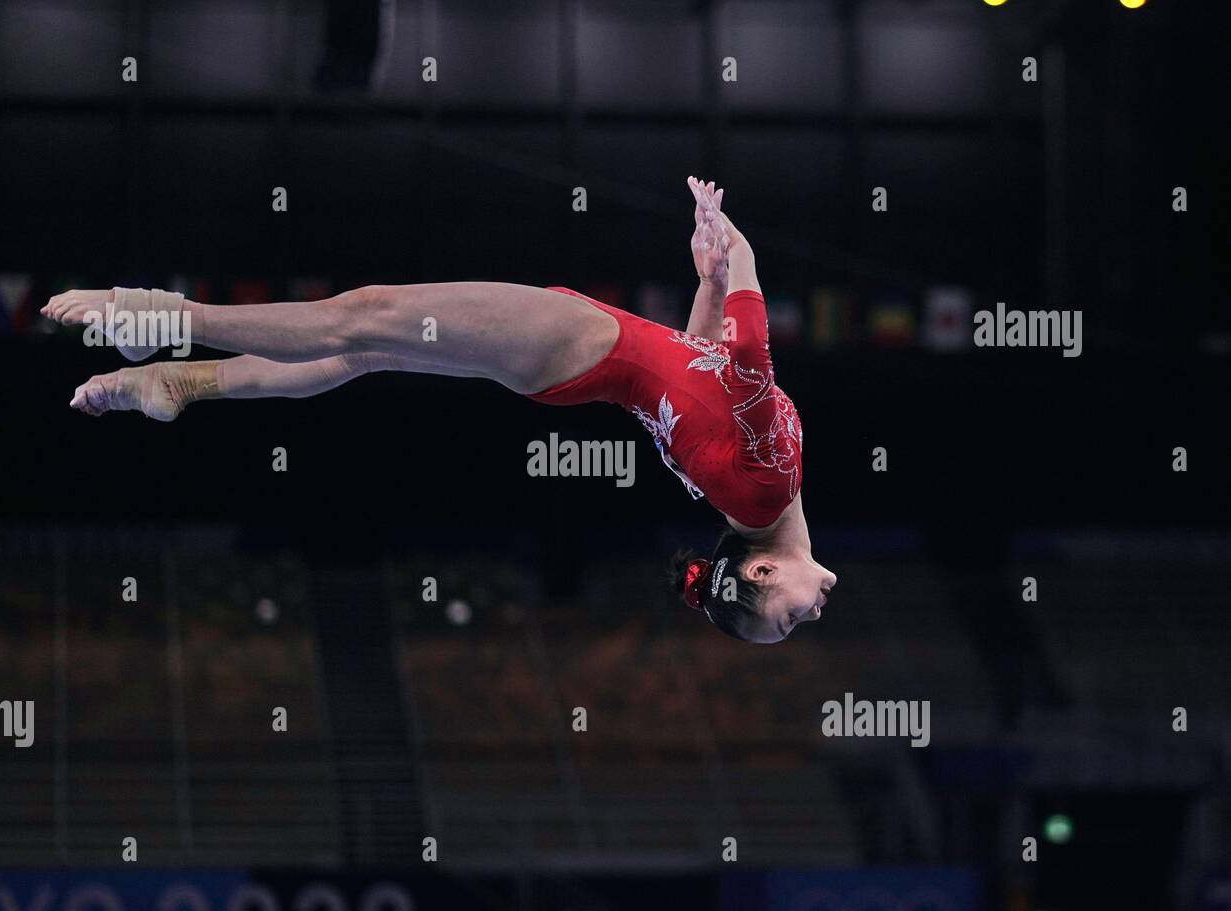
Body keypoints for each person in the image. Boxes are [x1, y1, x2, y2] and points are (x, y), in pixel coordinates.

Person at [44, 177, 835, 642]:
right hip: (576, 358)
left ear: (761, 570)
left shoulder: (763, 495)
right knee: (362, 350)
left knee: (368, 313)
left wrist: (744, 254)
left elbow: (753, 354)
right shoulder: (751, 498)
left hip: (580, 343)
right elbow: (703, 367)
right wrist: (706, 276)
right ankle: (183, 383)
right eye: (790, 623)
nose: (809, 617)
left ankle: (165, 318)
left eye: (789, 619)